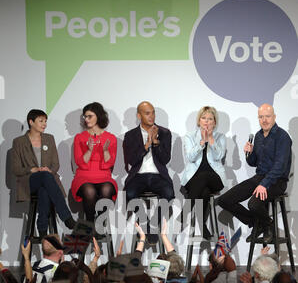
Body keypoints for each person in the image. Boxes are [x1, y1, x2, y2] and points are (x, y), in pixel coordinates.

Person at [218, 104, 292, 244]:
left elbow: (280, 166)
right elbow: (254, 163)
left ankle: (268, 226)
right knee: (224, 200)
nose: (264, 120)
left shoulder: (282, 137)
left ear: (274, 117)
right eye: (261, 117)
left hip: (277, 181)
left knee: (253, 204)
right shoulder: (258, 136)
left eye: (267, 116)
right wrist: (249, 154)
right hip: (259, 177)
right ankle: (258, 223)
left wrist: (264, 184)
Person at [12, 109, 76, 238]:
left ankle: (42, 227)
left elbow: (56, 164)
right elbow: (16, 169)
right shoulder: (19, 142)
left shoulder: (49, 138)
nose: (44, 124)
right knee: (44, 178)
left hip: (47, 179)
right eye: (41, 121)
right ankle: (66, 217)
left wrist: (49, 170)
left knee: (44, 189)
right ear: (31, 122)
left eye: (45, 121)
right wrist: (32, 169)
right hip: (29, 181)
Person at [123, 101, 175, 243]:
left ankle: (152, 225)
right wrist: (146, 145)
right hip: (138, 175)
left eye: (153, 112)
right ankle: (145, 224)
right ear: (139, 115)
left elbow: (165, 159)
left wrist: (156, 142)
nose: (151, 116)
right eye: (147, 113)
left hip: (158, 175)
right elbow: (132, 161)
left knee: (169, 193)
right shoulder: (130, 135)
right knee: (130, 194)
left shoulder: (164, 133)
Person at [181, 106, 227, 239]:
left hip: (215, 178)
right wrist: (201, 143)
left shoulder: (220, 137)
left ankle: (186, 211)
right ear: (199, 121)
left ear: (214, 122)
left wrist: (211, 139)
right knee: (204, 192)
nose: (206, 122)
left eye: (210, 119)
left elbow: (219, 156)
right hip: (194, 179)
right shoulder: (189, 137)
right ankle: (202, 226)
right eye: (203, 118)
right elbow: (191, 157)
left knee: (205, 176)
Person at [71, 102, 117, 224]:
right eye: (85, 117)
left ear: (98, 116)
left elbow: (110, 162)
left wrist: (105, 150)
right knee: (89, 191)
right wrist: (90, 150)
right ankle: (90, 223)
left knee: (107, 189)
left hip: (103, 176)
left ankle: (101, 224)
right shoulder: (79, 138)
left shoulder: (110, 138)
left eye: (89, 116)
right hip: (84, 177)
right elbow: (80, 162)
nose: (86, 119)